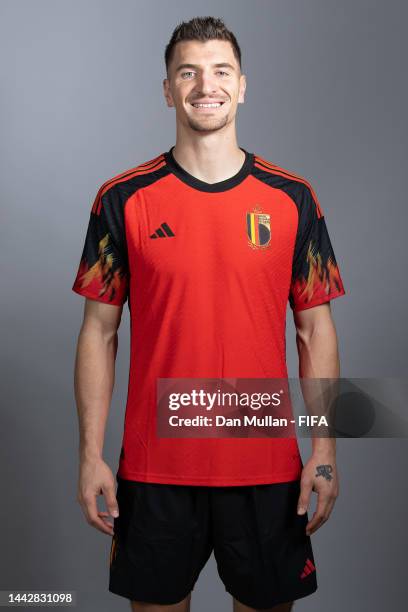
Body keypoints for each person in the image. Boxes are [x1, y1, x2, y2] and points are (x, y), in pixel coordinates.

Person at [72, 15, 345, 612]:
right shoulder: (121, 199)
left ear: (242, 85)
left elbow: (314, 328)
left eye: (220, 70)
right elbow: (99, 332)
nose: (205, 85)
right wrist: (91, 454)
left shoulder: (293, 198)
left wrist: (323, 451)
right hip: (155, 469)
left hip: (267, 466)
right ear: (167, 89)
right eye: (187, 72)